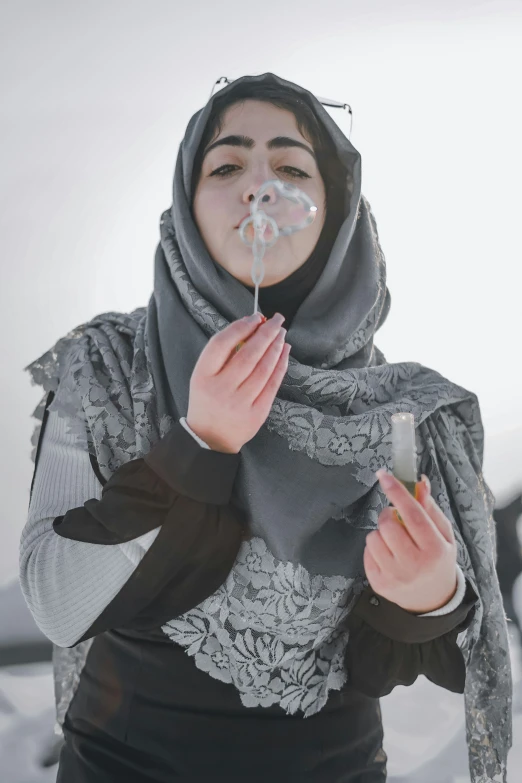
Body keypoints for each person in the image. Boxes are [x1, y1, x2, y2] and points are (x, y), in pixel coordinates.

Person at [19, 73, 511, 782]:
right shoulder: (108, 367)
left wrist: (430, 595)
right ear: (185, 207)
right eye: (225, 165)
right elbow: (57, 601)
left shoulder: (401, 412)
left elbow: (393, 660)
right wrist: (198, 446)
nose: (260, 188)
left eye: (290, 167)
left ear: (337, 209)